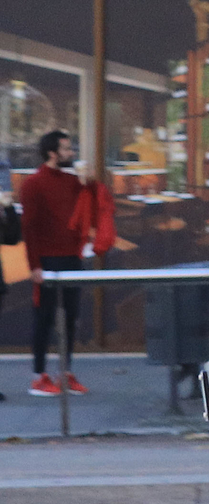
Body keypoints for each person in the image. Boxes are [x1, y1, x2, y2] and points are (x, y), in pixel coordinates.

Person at [20, 129, 114, 399]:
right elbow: (29, 228)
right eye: (66, 148)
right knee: (44, 318)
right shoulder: (33, 184)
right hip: (47, 260)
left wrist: (90, 183)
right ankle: (39, 376)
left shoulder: (72, 181)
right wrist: (34, 265)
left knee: (71, 318)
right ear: (53, 152)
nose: (71, 153)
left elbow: (97, 200)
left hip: (72, 257)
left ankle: (65, 372)